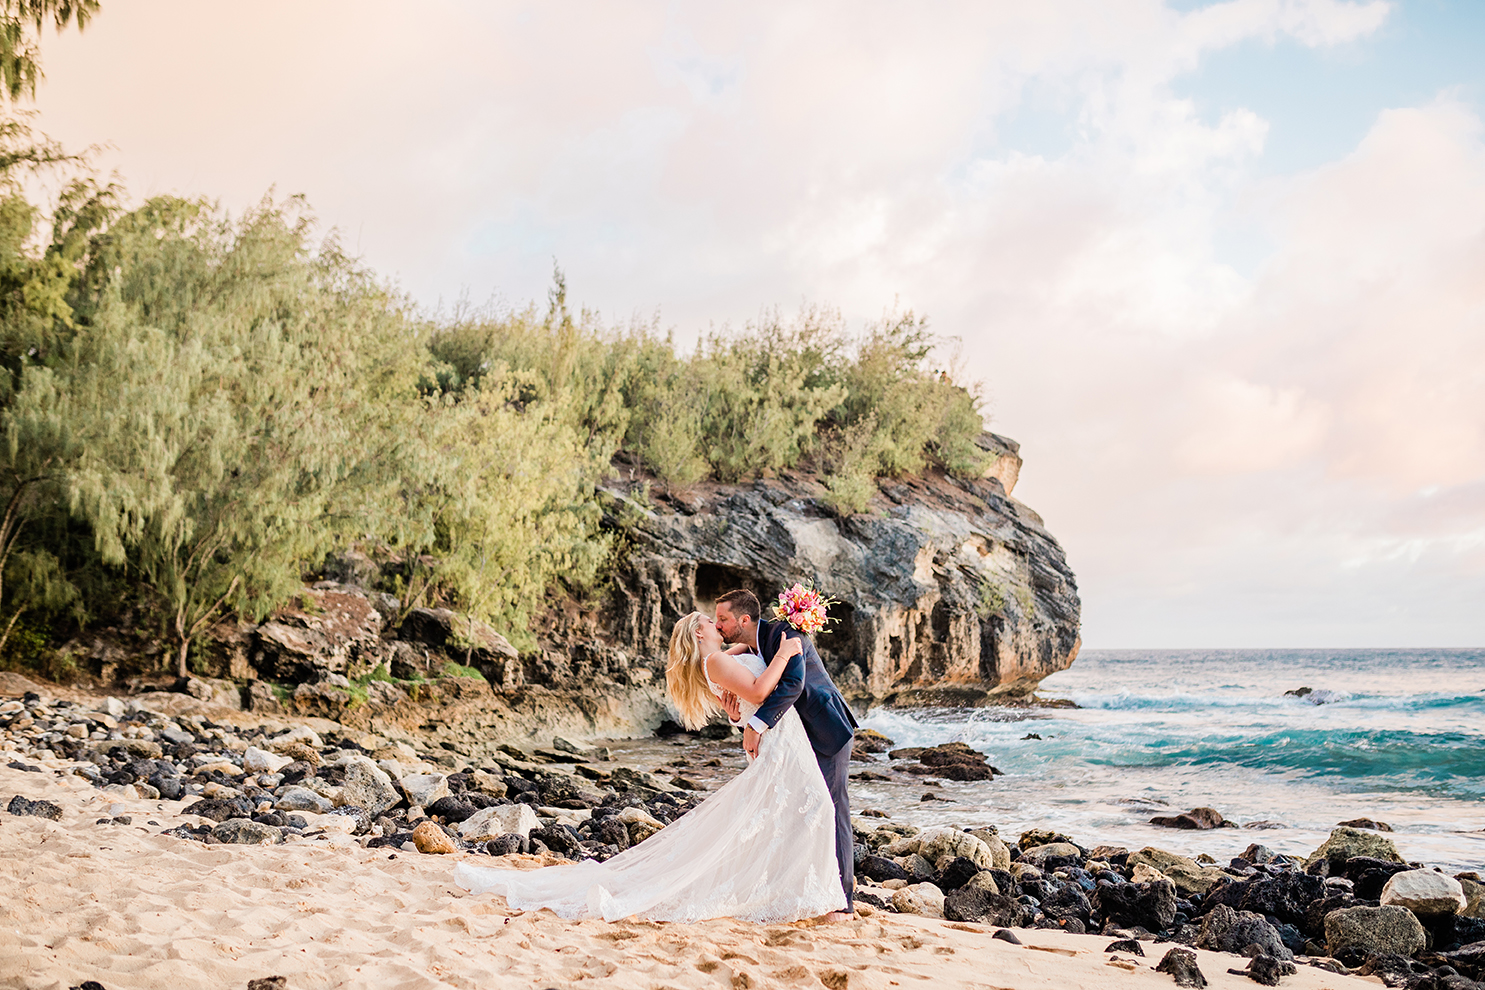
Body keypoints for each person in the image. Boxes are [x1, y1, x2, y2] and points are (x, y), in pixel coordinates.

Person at [452, 609, 848, 923]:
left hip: (782, 740)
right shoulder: (715, 661)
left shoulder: (720, 658)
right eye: (712, 622)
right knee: (815, 808)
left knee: (796, 813)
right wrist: (784, 652)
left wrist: (742, 711)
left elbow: (747, 689)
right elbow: (761, 689)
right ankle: (819, 896)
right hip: (778, 743)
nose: (718, 625)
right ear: (698, 633)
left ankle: (808, 892)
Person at [713, 588, 859, 920]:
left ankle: (843, 902)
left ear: (744, 619)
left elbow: (792, 684)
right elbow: (746, 685)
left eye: (723, 618)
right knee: (801, 811)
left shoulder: (785, 633)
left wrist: (757, 725)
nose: (718, 624)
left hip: (826, 729)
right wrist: (735, 712)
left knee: (833, 809)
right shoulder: (753, 643)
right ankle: (805, 889)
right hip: (796, 738)